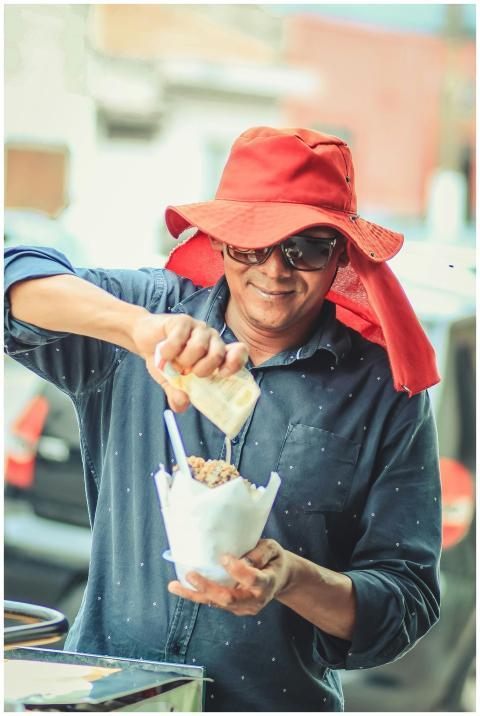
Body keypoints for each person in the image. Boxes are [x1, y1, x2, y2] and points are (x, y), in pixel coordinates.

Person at [4, 126, 442, 712]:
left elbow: (404, 600)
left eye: (305, 247)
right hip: (106, 699)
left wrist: (291, 580)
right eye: (251, 243)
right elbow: (14, 279)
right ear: (221, 240)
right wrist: (136, 331)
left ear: (339, 254)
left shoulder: (384, 391)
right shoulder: (148, 316)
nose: (275, 270)